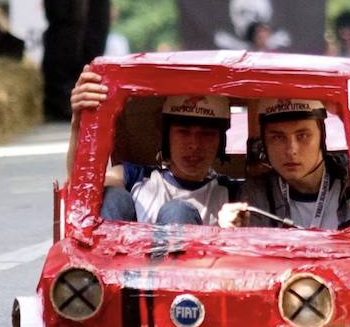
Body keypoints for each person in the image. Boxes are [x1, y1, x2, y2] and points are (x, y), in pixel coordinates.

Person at [68, 68, 236, 226]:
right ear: (166, 135)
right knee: (112, 196)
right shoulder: (135, 178)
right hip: (125, 254)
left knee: (177, 212)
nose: (194, 145)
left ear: (220, 140)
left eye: (206, 135)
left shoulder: (231, 192)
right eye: (183, 132)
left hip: (200, 256)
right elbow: (82, 188)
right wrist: (78, 122)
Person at [219, 98, 350, 230]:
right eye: (278, 137)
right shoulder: (255, 193)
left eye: (302, 136)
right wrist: (232, 232)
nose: (291, 150)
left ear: (322, 136)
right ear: (264, 144)